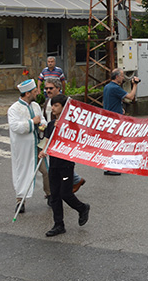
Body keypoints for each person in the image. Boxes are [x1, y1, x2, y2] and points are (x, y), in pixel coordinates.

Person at [39, 95, 90, 237]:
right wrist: (43, 151)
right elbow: (47, 141)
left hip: (66, 164)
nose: (53, 108)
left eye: (56, 105)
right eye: (52, 105)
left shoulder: (71, 125)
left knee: (65, 194)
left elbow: (76, 142)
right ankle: (58, 224)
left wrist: (62, 128)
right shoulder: (51, 125)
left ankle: (82, 208)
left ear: (63, 107)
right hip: (53, 164)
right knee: (54, 195)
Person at [8, 79, 49, 212]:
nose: (37, 93)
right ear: (27, 94)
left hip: (37, 145)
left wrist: (42, 125)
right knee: (23, 172)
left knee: (46, 171)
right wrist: (32, 122)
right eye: (34, 91)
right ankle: (20, 201)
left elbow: (42, 120)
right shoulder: (14, 109)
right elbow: (16, 127)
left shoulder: (36, 106)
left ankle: (50, 195)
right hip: (23, 149)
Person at [42, 77, 85, 193]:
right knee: (54, 166)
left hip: (63, 141)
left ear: (58, 88)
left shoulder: (66, 103)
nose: (48, 90)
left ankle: (71, 184)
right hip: (51, 136)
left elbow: (74, 123)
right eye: (46, 88)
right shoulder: (47, 103)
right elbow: (45, 118)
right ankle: (57, 191)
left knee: (63, 166)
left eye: (51, 88)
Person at [102, 68, 139, 175]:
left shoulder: (107, 87)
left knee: (112, 142)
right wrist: (135, 85)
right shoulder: (115, 88)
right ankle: (112, 167)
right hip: (115, 119)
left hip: (108, 118)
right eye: (122, 76)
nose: (123, 78)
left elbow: (112, 100)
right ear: (117, 77)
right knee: (116, 142)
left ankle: (109, 166)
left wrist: (119, 107)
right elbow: (131, 97)